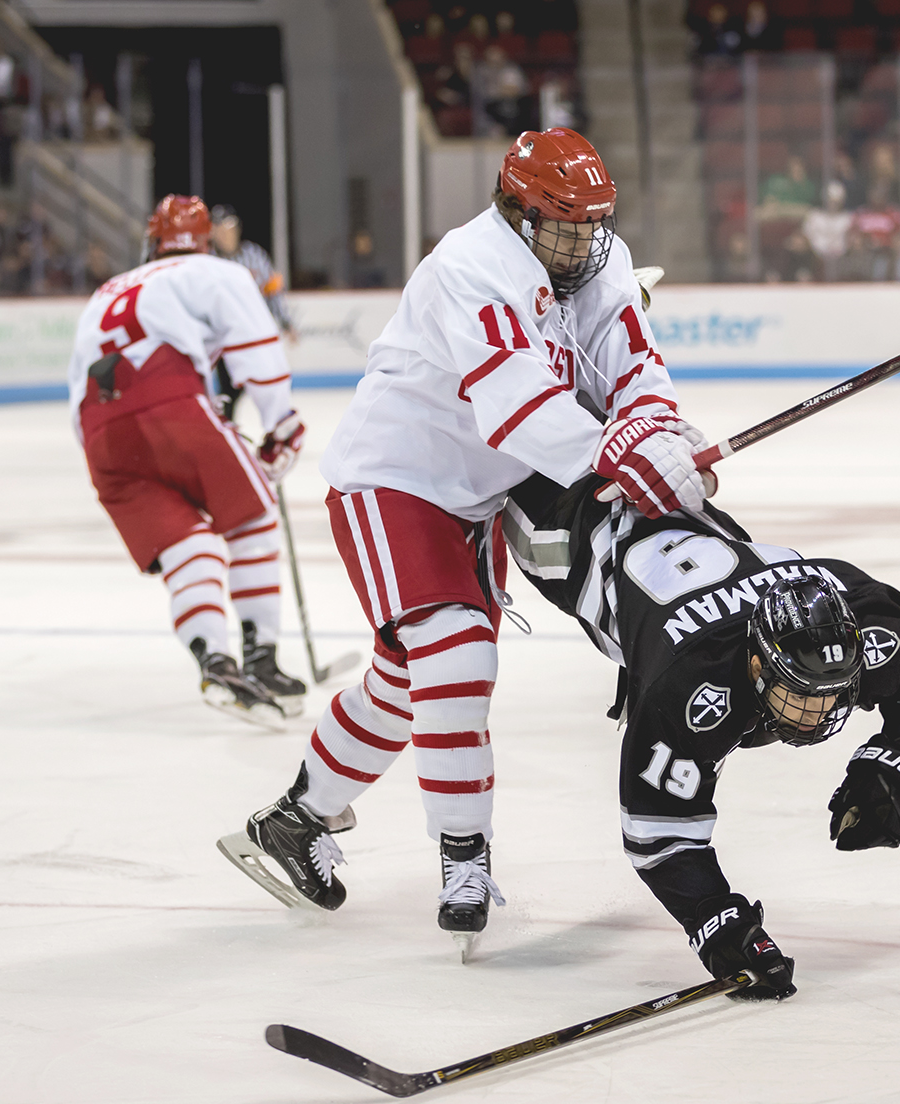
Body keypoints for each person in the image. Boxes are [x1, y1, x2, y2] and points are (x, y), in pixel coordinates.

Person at [216, 127, 712, 956]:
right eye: (567, 226)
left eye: (596, 224)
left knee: (407, 683)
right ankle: (464, 857)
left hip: (474, 499)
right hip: (397, 478)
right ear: (518, 213)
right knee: (454, 660)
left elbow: (628, 363)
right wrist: (616, 454)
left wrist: (655, 424)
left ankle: (294, 820)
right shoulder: (469, 267)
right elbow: (517, 408)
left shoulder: (595, 258)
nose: (585, 242)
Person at [498, 472, 900, 998]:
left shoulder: (859, 608)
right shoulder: (689, 689)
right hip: (565, 534)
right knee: (487, 504)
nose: (820, 711)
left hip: (673, 516)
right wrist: (718, 923)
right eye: (802, 692)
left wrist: (897, 760)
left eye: (835, 692)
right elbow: (658, 834)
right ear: (757, 663)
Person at [67, 195, 309, 728]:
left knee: (189, 545)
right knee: (252, 518)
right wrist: (282, 423)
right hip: (171, 403)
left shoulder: (106, 291)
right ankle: (262, 661)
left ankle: (215, 663)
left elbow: (77, 392)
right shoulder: (215, 271)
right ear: (202, 241)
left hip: (100, 434)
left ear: (151, 243)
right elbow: (256, 342)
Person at [209, 205, 293, 333]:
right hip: (222, 332)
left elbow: (273, 291)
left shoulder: (254, 255)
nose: (223, 235)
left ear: (237, 229)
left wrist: (285, 322)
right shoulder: (208, 261)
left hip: (257, 329)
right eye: (218, 230)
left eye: (227, 229)